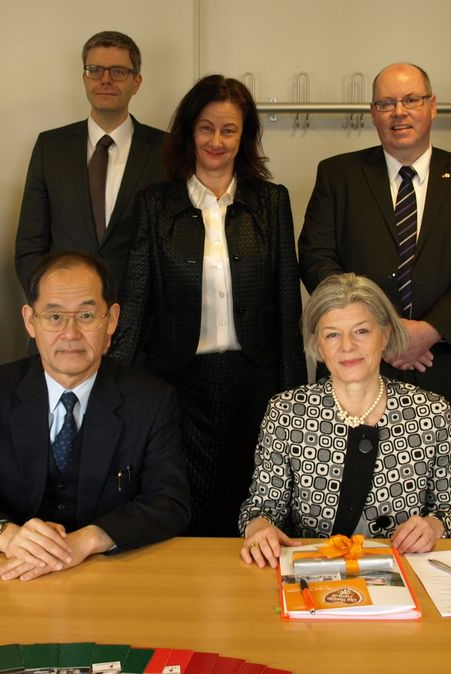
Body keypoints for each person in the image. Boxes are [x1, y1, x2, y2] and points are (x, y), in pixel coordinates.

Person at [113, 75, 306, 536]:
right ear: (188, 132)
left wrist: (296, 395)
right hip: (178, 382)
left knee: (253, 501)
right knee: (184, 504)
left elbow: (285, 304)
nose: (216, 141)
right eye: (206, 128)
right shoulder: (155, 204)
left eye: (229, 130)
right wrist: (113, 385)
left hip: (255, 380)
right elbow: (137, 298)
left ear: (245, 136)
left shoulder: (271, 202)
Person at [298, 62, 451, 476]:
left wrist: (431, 330)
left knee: (441, 512)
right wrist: (384, 330)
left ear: (433, 107)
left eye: (411, 100)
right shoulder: (338, 174)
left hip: (446, 371)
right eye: (386, 103)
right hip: (354, 371)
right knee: (345, 505)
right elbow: (316, 258)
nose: (399, 112)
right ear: (373, 112)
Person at [0, 252, 189, 581]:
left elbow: (170, 502)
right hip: (8, 575)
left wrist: (89, 539)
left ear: (111, 320)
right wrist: (7, 536)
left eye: (86, 315)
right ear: (30, 321)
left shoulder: (151, 400)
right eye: (54, 317)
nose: (70, 333)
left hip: (111, 578)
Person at [239, 273, 451, 568]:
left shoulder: (431, 412)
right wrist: (259, 528)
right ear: (318, 346)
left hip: (407, 573)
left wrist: (435, 527)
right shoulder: (287, 412)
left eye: (361, 331)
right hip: (314, 577)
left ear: (385, 335)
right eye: (332, 334)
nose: (347, 346)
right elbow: (260, 508)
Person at [15, 31, 166, 294]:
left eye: (118, 71)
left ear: (137, 82)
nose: (105, 80)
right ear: (84, 78)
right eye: (95, 70)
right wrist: (52, 307)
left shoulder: (165, 150)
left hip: (143, 321)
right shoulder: (50, 148)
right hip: (65, 317)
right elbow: (30, 246)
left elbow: (173, 248)